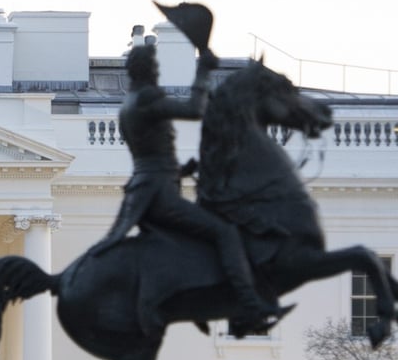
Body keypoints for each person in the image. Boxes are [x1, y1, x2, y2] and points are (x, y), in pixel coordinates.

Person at [90, 43, 285, 335]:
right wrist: (203, 71)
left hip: (147, 189)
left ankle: (199, 298)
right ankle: (249, 305)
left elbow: (149, 156)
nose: (158, 70)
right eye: (155, 66)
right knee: (225, 232)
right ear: (148, 69)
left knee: (198, 236)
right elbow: (195, 109)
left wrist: (181, 171)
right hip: (160, 195)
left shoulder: (129, 103)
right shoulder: (146, 99)